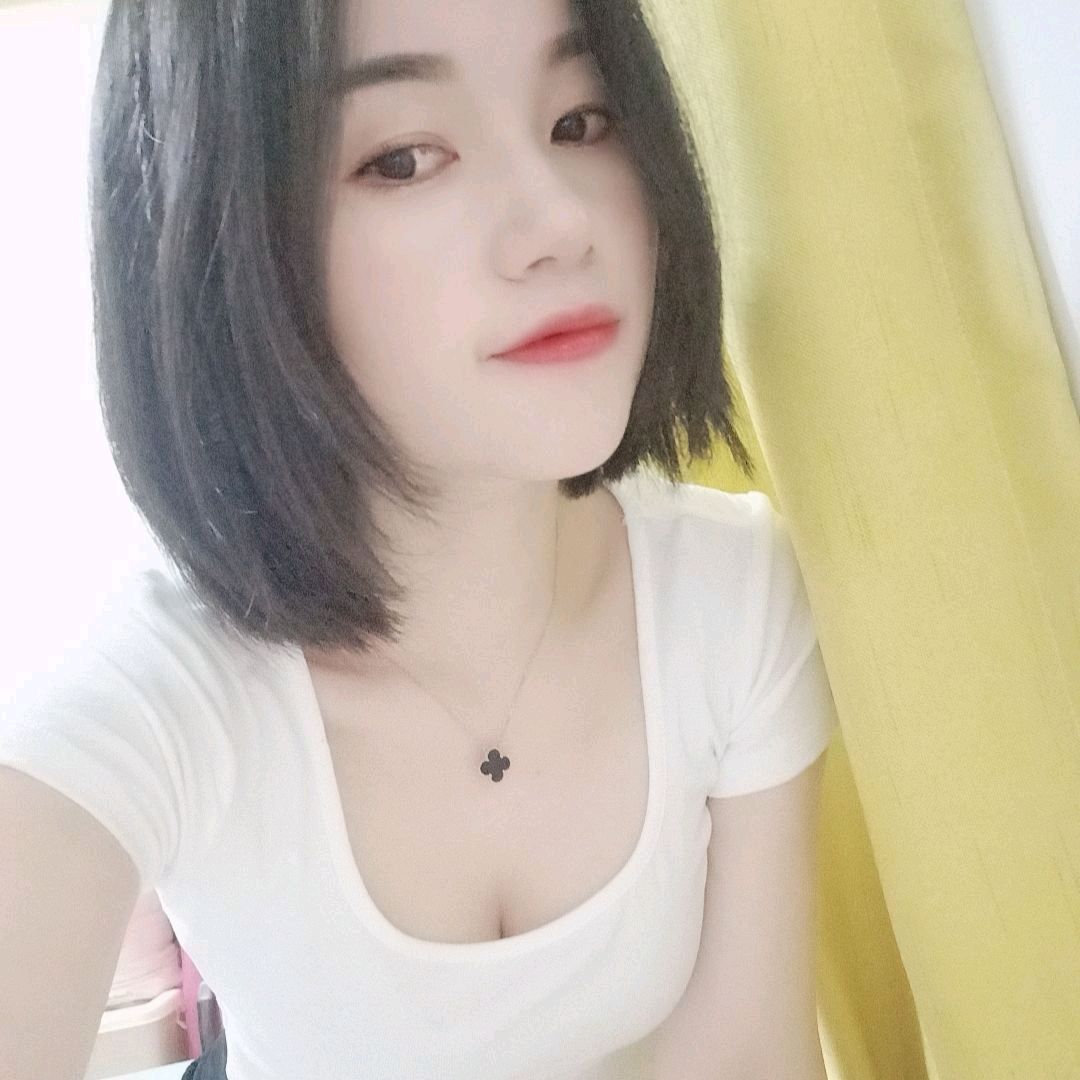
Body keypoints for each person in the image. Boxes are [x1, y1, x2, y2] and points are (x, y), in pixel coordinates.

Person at [0, 0, 838, 1077]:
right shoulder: (154, 699)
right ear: (217, 242)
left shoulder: (729, 596)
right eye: (402, 159)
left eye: (580, 121)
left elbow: (744, 1059)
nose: (560, 221)